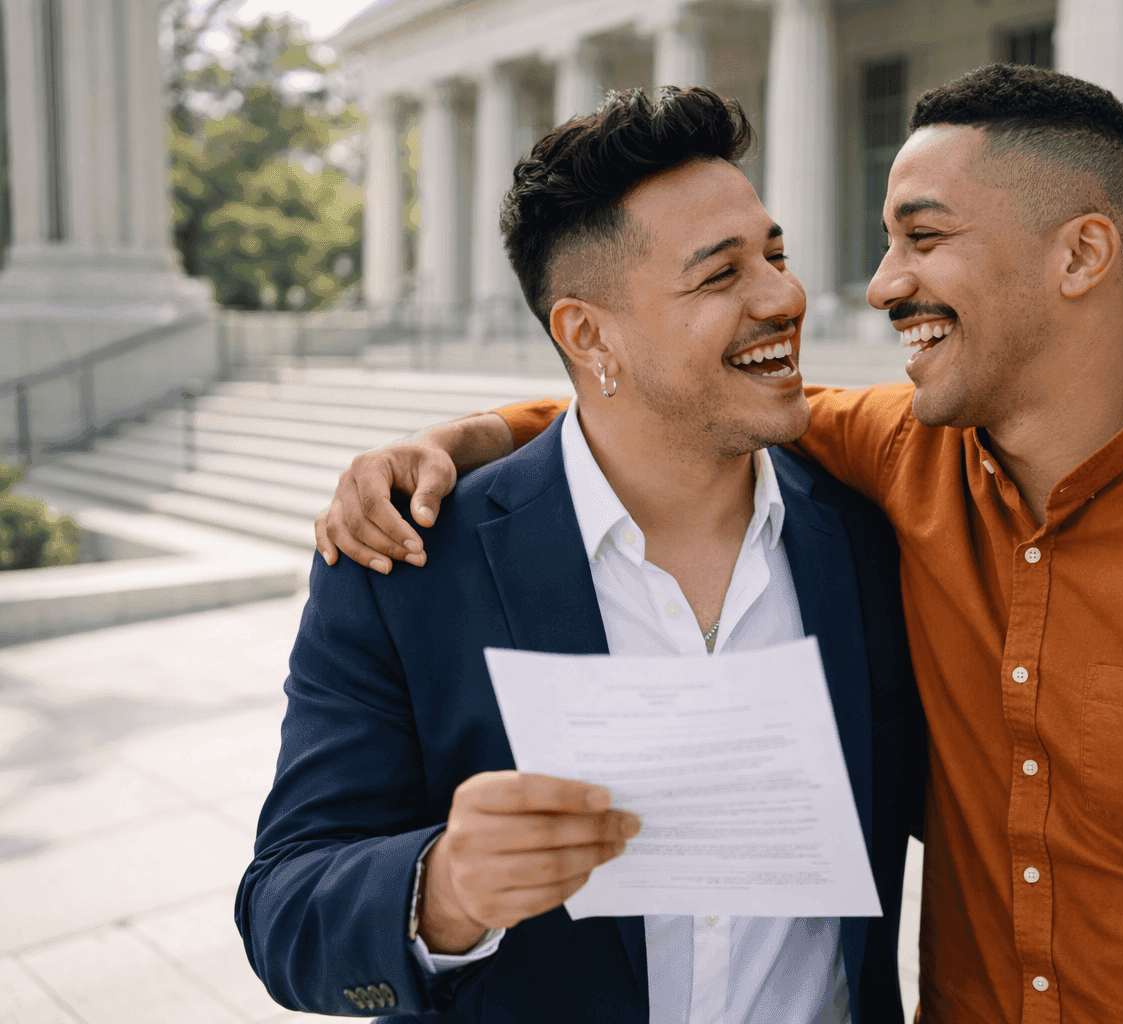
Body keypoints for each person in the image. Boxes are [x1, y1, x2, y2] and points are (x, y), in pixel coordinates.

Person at [317, 65, 1123, 1023]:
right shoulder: (901, 458)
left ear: (1082, 256)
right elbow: (661, 410)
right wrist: (462, 438)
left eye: (922, 238)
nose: (872, 285)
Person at [237, 87, 925, 1024]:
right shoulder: (403, 567)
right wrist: (442, 890)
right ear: (585, 332)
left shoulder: (870, 539)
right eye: (720, 275)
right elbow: (284, 908)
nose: (784, 297)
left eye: (775, 253)